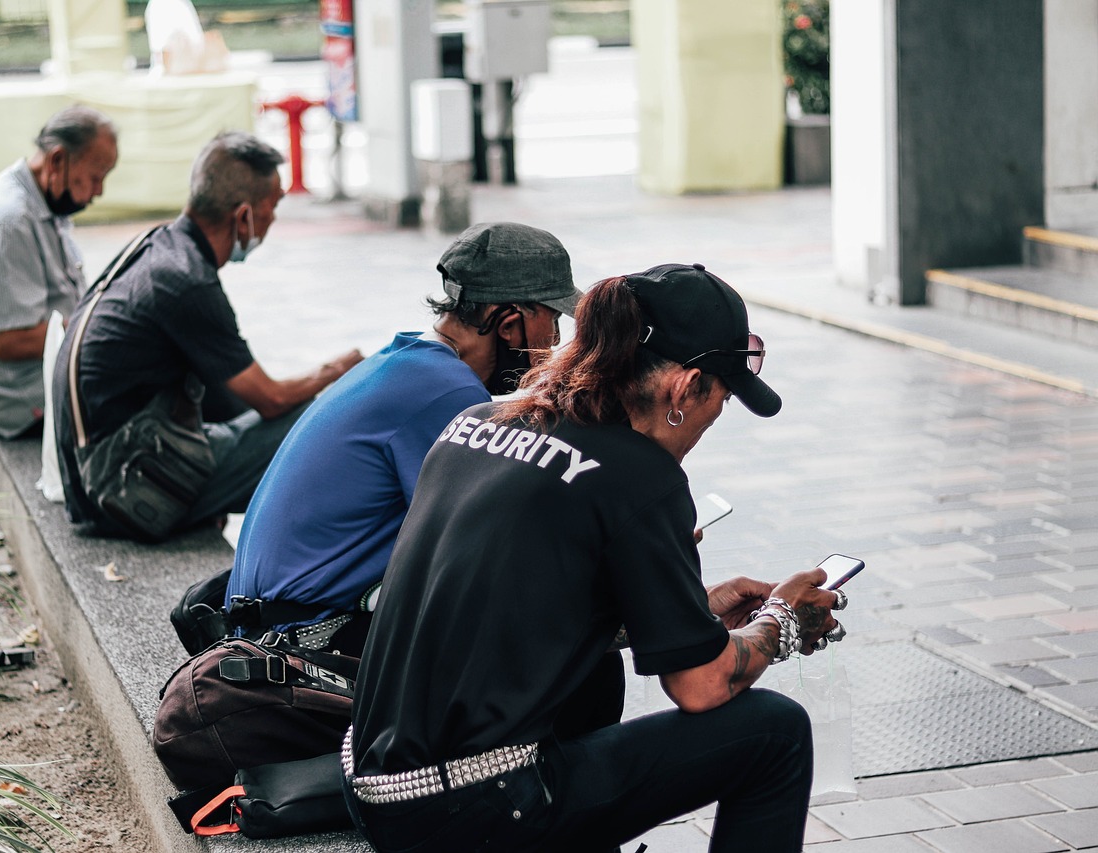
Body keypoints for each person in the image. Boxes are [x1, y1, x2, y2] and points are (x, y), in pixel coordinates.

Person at [343, 263, 850, 853]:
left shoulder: (478, 422)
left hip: (372, 788)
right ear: (684, 389)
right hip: (471, 810)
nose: (711, 422)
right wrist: (782, 621)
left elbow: (518, 607)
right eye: (721, 402)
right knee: (776, 732)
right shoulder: (642, 476)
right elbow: (703, 687)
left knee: (599, 668)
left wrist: (689, 615)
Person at [222, 222, 583, 657]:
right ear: (508, 322)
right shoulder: (449, 392)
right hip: (304, 638)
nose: (556, 342)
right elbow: (480, 546)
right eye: (553, 319)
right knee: (569, 659)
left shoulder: (406, 361)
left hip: (266, 620)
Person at [52, 131, 362, 538]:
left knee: (250, 408)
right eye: (274, 207)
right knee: (328, 421)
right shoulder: (188, 281)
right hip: (122, 489)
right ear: (245, 216)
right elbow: (270, 400)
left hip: (93, 474)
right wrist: (338, 372)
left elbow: (231, 388)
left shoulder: (156, 246)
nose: (272, 221)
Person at [0, 105, 118, 439]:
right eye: (95, 177)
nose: (98, 191)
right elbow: (9, 342)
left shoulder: (41, 200)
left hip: (42, 376)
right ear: (57, 161)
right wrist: (101, 328)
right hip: (23, 402)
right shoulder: (11, 221)